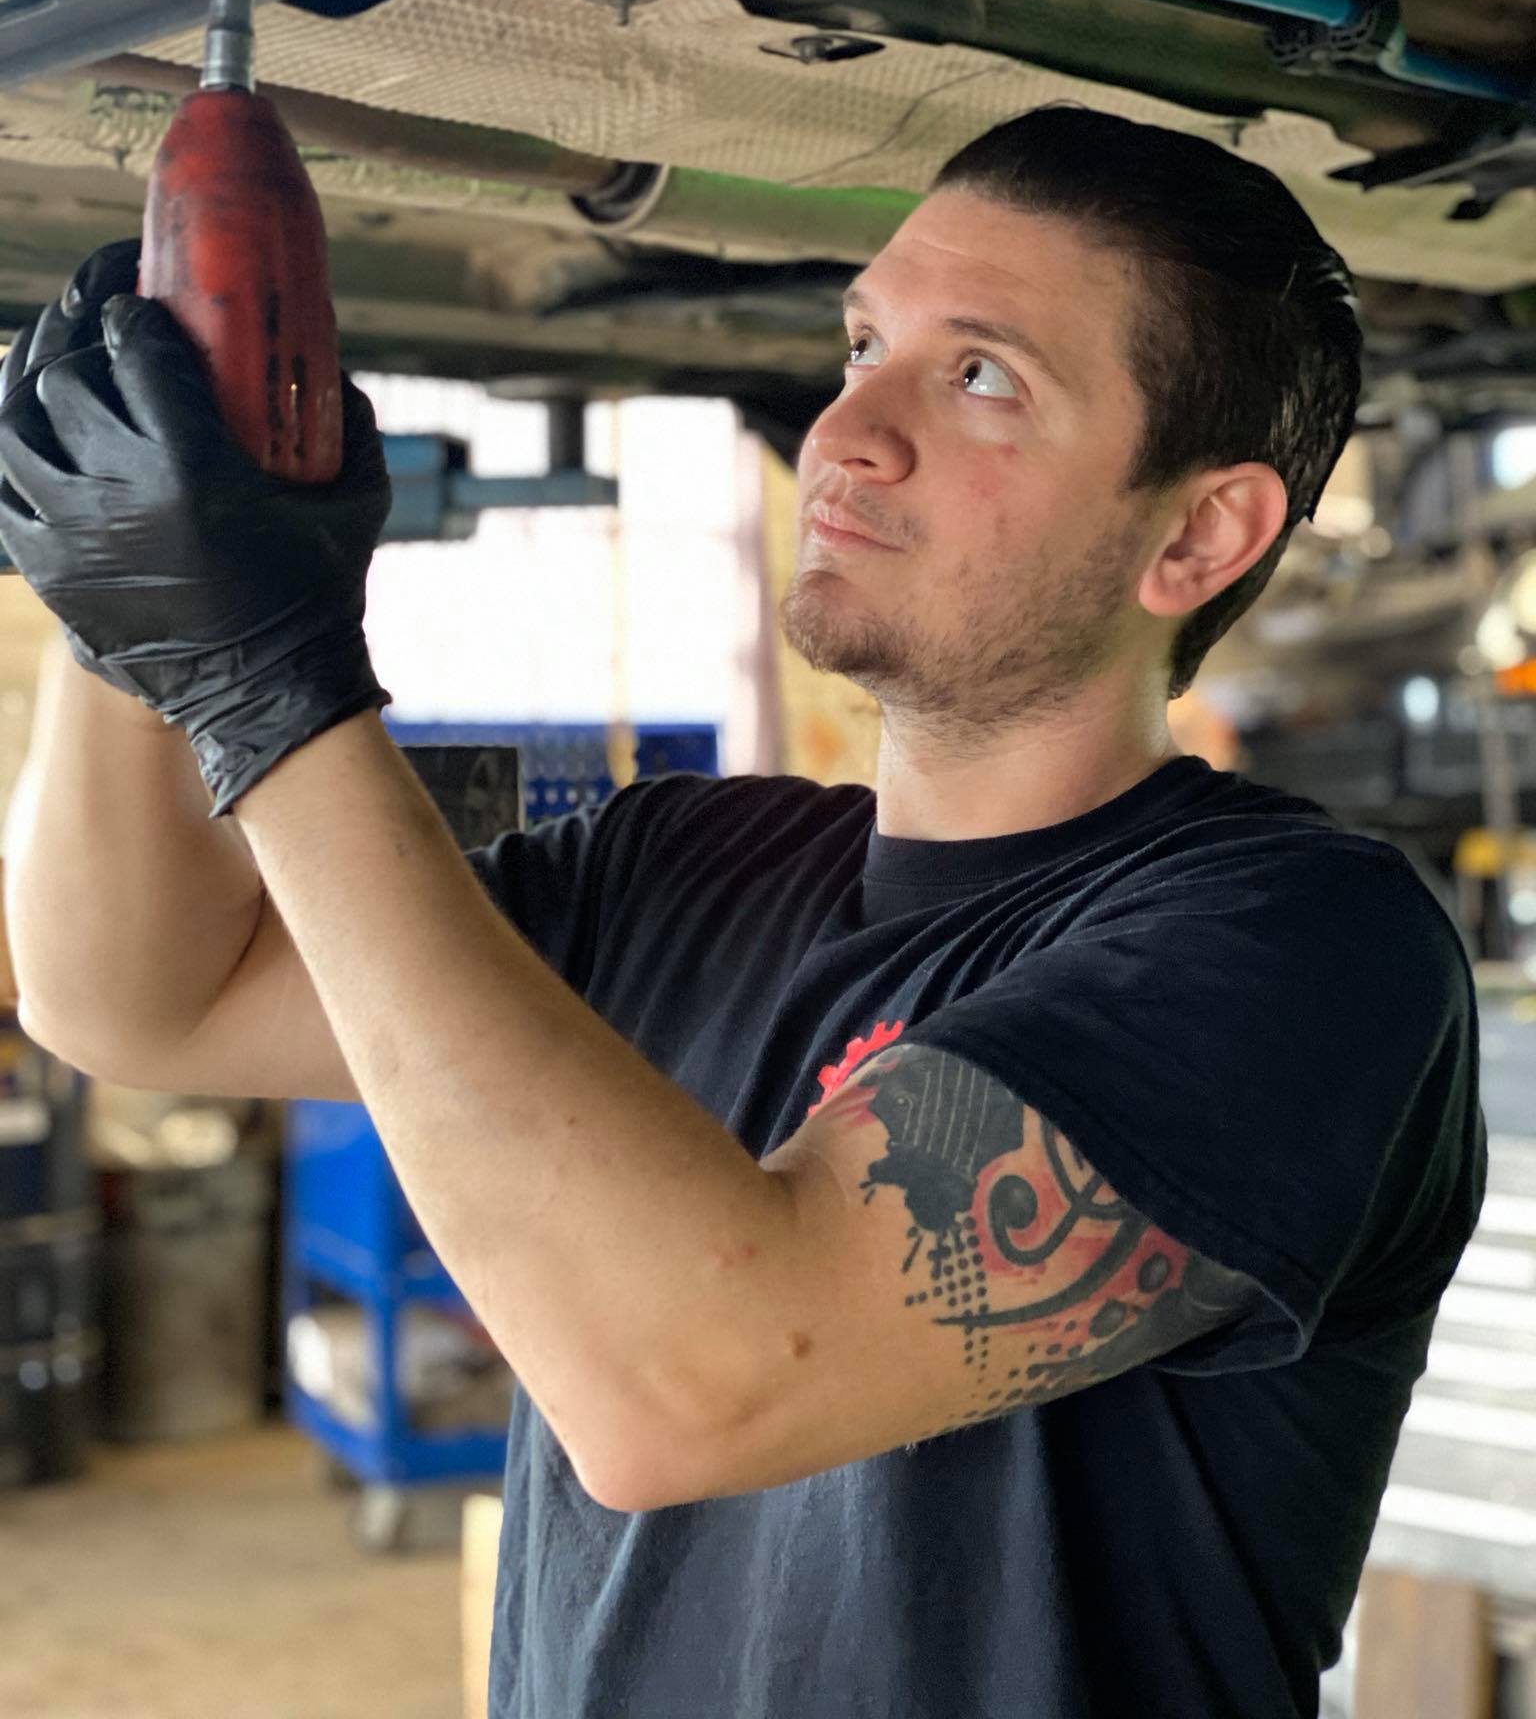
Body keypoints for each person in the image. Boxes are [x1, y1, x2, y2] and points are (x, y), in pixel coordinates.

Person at [0, 106, 1483, 1719]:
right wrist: (129, 603)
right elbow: (140, 999)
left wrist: (265, 681)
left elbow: (691, 1389)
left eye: (980, 374)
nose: (848, 428)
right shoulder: (686, 865)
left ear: (1198, 532)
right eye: (866, 340)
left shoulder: (1302, 953)